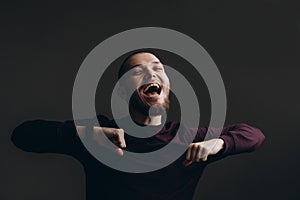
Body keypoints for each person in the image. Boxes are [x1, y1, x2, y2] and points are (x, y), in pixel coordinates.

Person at [11, 51, 265, 200]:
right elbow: (23, 134)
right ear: (121, 91)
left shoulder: (186, 136)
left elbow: (253, 135)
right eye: (138, 71)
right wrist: (87, 134)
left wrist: (218, 143)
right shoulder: (100, 132)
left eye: (157, 69)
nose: (151, 74)